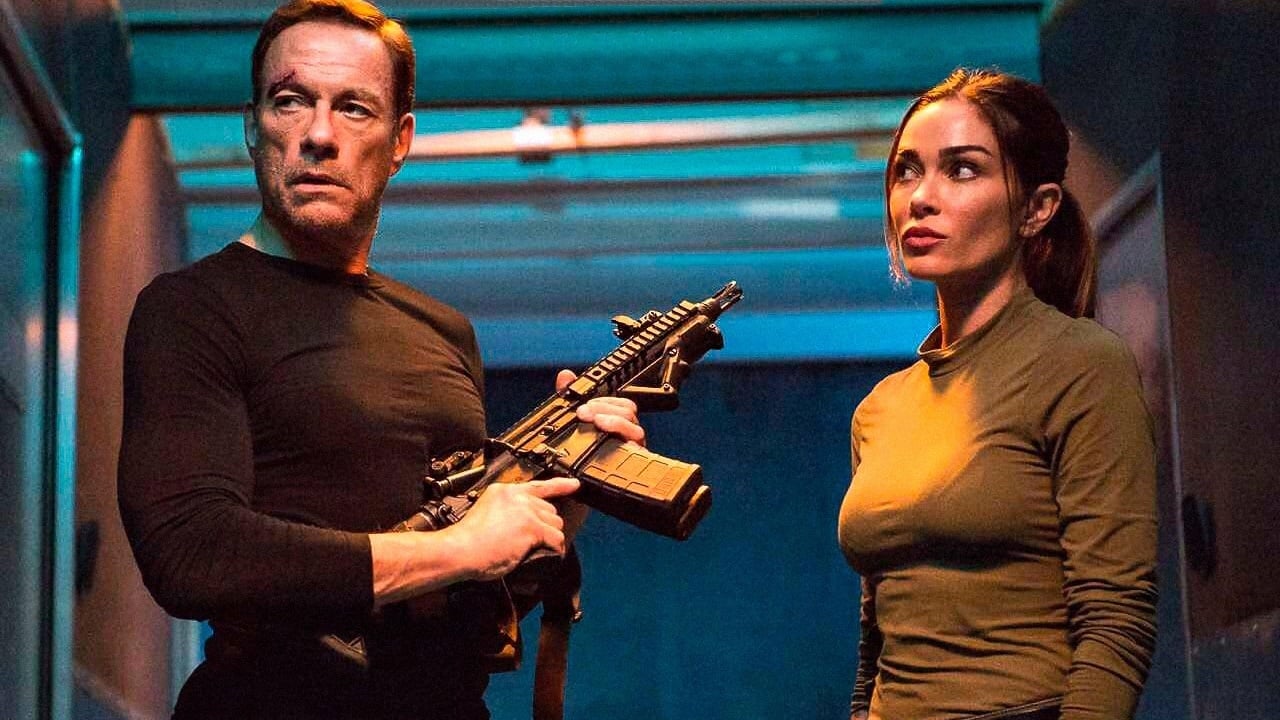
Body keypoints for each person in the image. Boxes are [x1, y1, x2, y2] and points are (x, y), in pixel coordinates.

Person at [116, 1, 642, 718]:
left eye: (353, 108)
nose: (319, 134)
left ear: (400, 141)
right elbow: (192, 552)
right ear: (253, 126)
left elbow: (468, 599)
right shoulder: (192, 308)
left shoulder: (443, 331)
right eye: (290, 102)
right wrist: (460, 549)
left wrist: (559, 499)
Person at [837, 69, 1158, 720]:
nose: (921, 198)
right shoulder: (880, 409)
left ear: (1036, 208)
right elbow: (877, 640)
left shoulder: (1080, 365)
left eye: (962, 170)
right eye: (906, 171)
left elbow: (1115, 618)